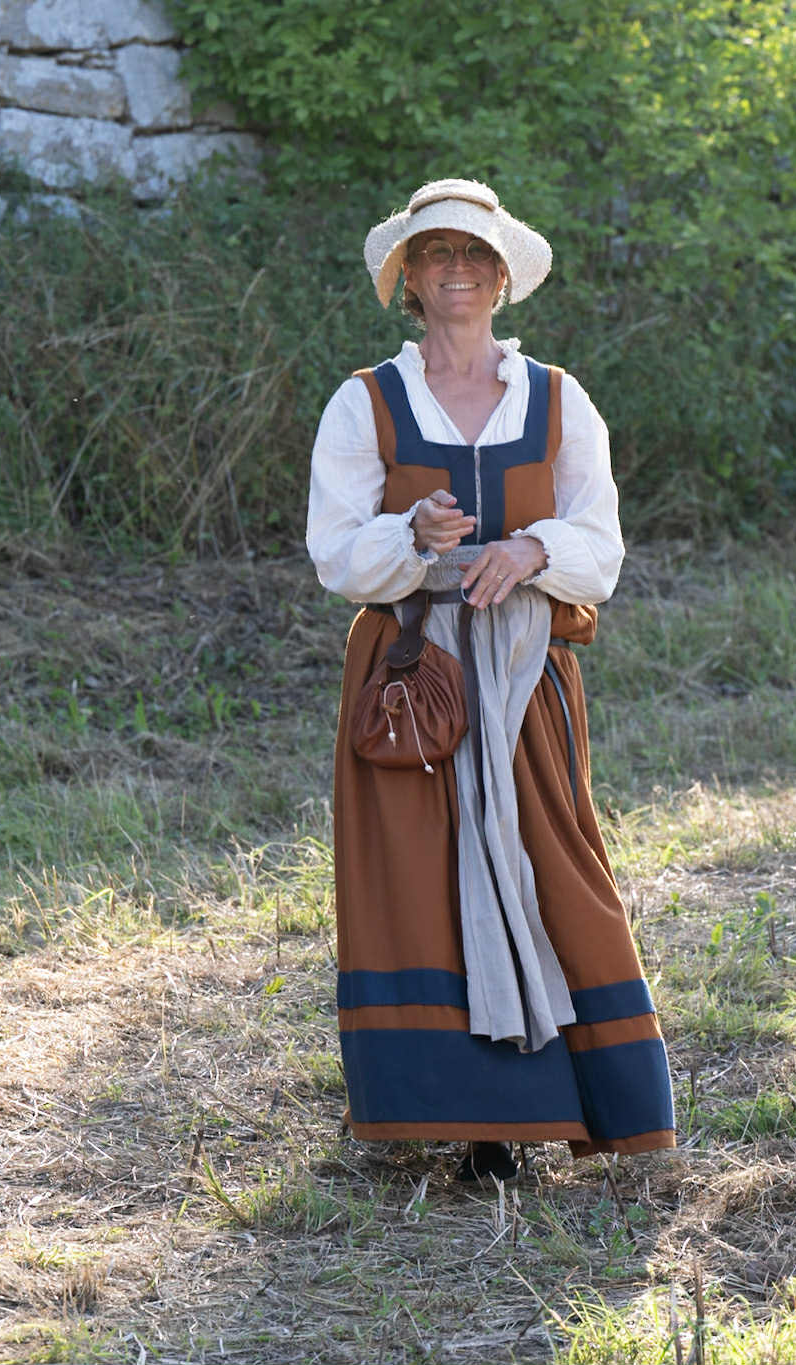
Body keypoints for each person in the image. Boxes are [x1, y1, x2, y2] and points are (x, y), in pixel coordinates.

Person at [307, 179, 676, 1181]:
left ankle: (580, 1102)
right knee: (416, 882)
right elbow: (336, 554)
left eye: (475, 254)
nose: (458, 270)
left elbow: (600, 546)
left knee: (550, 865)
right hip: (410, 674)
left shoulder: (558, 398)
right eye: (438, 255)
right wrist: (410, 534)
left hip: (524, 672)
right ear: (410, 280)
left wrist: (532, 549)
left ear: (503, 278)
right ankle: (467, 1121)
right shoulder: (365, 401)